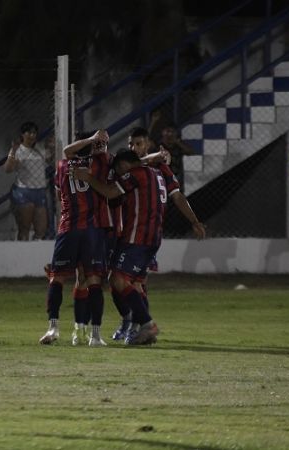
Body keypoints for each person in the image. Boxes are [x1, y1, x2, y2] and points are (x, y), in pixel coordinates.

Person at [108, 126, 205, 341]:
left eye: (139, 144)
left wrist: (194, 220)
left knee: (125, 280)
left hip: (140, 235)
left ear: (148, 144)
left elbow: (178, 196)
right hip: (127, 233)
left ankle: (139, 324)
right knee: (128, 282)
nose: (135, 147)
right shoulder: (127, 164)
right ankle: (132, 322)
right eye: (131, 144)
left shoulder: (158, 168)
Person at [74, 149, 168, 346]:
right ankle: (140, 327)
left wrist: (87, 177)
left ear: (125, 165)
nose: (118, 174)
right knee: (135, 283)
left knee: (118, 279)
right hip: (153, 237)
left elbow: (110, 191)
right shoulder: (154, 172)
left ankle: (146, 324)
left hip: (137, 236)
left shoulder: (135, 174)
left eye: (118, 169)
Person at [38, 129, 111, 347]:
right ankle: (95, 336)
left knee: (57, 278)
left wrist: (89, 141)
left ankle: (53, 328)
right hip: (92, 230)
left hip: (68, 227)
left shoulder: (61, 166)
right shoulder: (99, 164)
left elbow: (66, 160)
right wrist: (99, 143)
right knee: (93, 280)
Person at [4, 121, 50, 240]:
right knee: (24, 228)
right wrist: (13, 151)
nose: (32, 136)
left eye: (34, 133)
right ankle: (21, 253)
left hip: (39, 191)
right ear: (22, 135)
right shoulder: (18, 150)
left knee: (41, 230)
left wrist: (53, 146)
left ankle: (35, 254)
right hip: (23, 191)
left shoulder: (39, 149)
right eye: (28, 133)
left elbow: (51, 159)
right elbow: (8, 169)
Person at [157, 123, 196, 191]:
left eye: (172, 132)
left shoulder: (178, 147)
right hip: (162, 180)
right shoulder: (158, 147)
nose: (170, 134)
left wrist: (177, 142)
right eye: (168, 131)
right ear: (163, 132)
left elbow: (191, 152)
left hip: (176, 179)